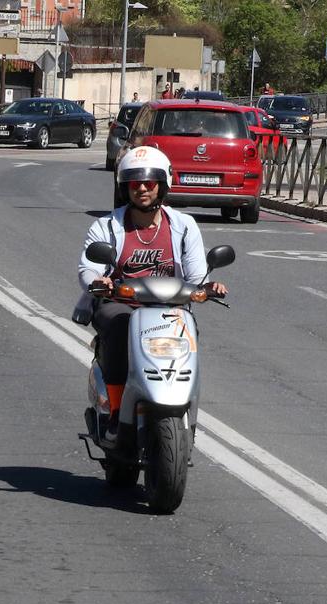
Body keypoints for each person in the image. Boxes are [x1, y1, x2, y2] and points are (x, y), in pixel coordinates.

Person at [73, 146, 227, 439]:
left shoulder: (183, 225)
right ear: (124, 187)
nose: (141, 189)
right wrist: (98, 281)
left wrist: (207, 286)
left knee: (188, 334)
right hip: (121, 304)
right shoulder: (106, 226)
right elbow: (88, 268)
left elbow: (195, 275)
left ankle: (185, 411)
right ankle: (117, 412)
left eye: (149, 182)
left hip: (170, 307)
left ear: (162, 185)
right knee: (119, 327)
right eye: (134, 183)